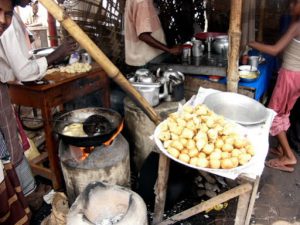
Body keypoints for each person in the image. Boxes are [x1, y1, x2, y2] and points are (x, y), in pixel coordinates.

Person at [0, 0, 77, 212]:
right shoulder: (7, 21)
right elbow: (24, 72)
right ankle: (28, 193)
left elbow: (23, 59)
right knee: (9, 146)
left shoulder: (12, 16)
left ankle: (23, 192)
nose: (34, 1)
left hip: (5, 86)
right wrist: (55, 55)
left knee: (10, 144)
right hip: (5, 87)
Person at [249, 0, 300, 172]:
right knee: (284, 110)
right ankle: (280, 147)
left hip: (290, 75)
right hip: (297, 76)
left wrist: (252, 43)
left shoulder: (298, 25)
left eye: (296, 3)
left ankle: (289, 157)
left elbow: (275, 50)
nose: (291, 7)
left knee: (274, 114)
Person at [124, 0, 182, 72]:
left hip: (138, 58)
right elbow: (143, 35)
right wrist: (169, 50)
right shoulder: (143, 2)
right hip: (146, 61)